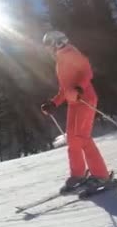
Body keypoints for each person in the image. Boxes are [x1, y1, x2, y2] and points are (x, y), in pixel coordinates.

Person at [40, 31, 111, 194]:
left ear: (57, 43)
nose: (48, 50)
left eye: (49, 46)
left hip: (85, 99)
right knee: (72, 140)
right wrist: (53, 103)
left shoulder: (71, 52)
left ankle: (101, 176)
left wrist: (79, 87)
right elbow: (65, 89)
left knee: (82, 138)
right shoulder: (60, 60)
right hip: (74, 103)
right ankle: (78, 175)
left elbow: (87, 72)